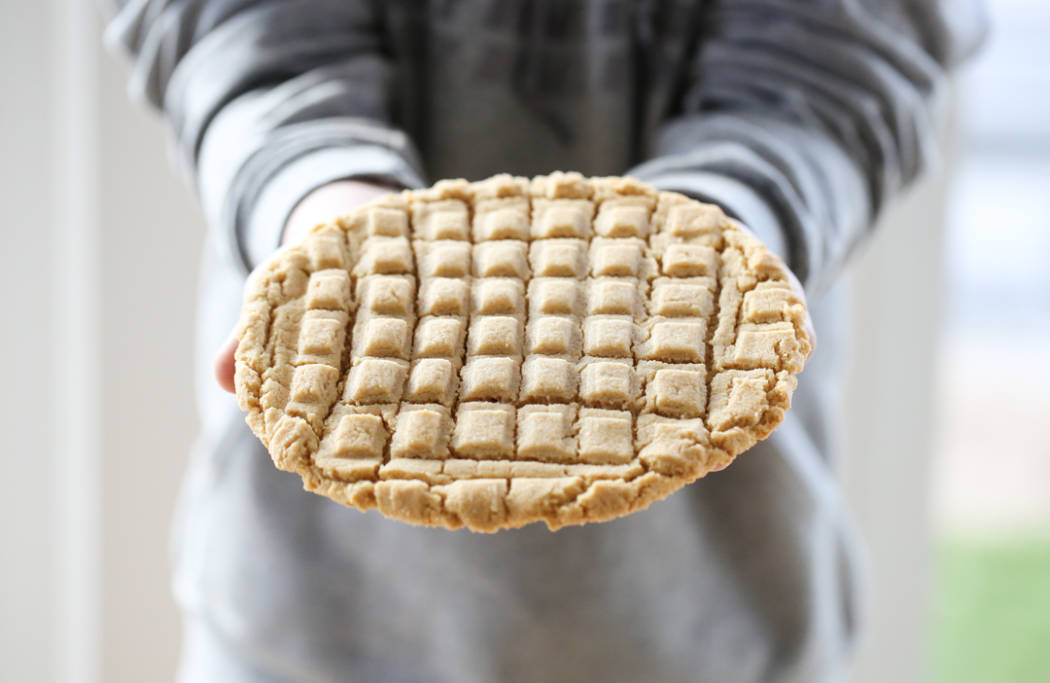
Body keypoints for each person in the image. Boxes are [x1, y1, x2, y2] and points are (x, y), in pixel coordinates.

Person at [106, 2, 984, 681]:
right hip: (305, 622)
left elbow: (844, 52)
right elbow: (228, 26)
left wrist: (717, 239)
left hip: (717, 622)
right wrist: (321, 203)